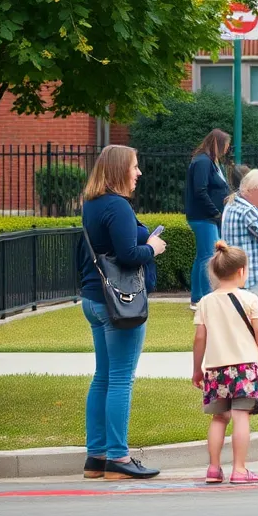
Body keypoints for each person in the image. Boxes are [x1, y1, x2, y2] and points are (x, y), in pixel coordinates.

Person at [78, 145, 167, 481]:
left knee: (103, 376)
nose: (139, 172)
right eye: (134, 166)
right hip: (119, 302)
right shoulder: (116, 205)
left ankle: (96, 457)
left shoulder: (93, 203)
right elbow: (130, 254)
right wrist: (153, 248)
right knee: (120, 379)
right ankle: (118, 456)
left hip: (93, 297)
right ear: (119, 170)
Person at [191, 241, 258, 485]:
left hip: (216, 371)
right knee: (241, 417)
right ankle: (239, 469)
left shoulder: (205, 302)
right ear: (241, 271)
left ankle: (214, 468)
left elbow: (199, 338)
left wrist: (198, 369)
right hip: (245, 369)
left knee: (219, 418)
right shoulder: (249, 299)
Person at [220, 169, 258, 410]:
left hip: (242, 279)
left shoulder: (235, 206)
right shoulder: (246, 210)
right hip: (252, 279)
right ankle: (255, 391)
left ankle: (243, 389)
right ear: (254, 191)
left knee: (243, 337)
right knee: (254, 336)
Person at [185, 129, 231, 310]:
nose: (227, 150)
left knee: (202, 256)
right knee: (208, 257)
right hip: (204, 216)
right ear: (218, 144)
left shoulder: (209, 161)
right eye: (225, 145)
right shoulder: (204, 162)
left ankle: (197, 297)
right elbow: (200, 191)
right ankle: (205, 297)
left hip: (205, 216)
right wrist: (215, 213)